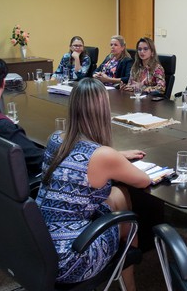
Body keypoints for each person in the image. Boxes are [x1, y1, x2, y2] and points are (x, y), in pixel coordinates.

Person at [36, 78, 150, 289]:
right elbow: (144, 181)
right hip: (70, 259)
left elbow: (80, 156)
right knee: (127, 212)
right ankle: (130, 281)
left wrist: (117, 157)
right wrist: (116, 159)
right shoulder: (102, 155)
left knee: (117, 194)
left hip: (37, 244)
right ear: (103, 110)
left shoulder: (55, 138)